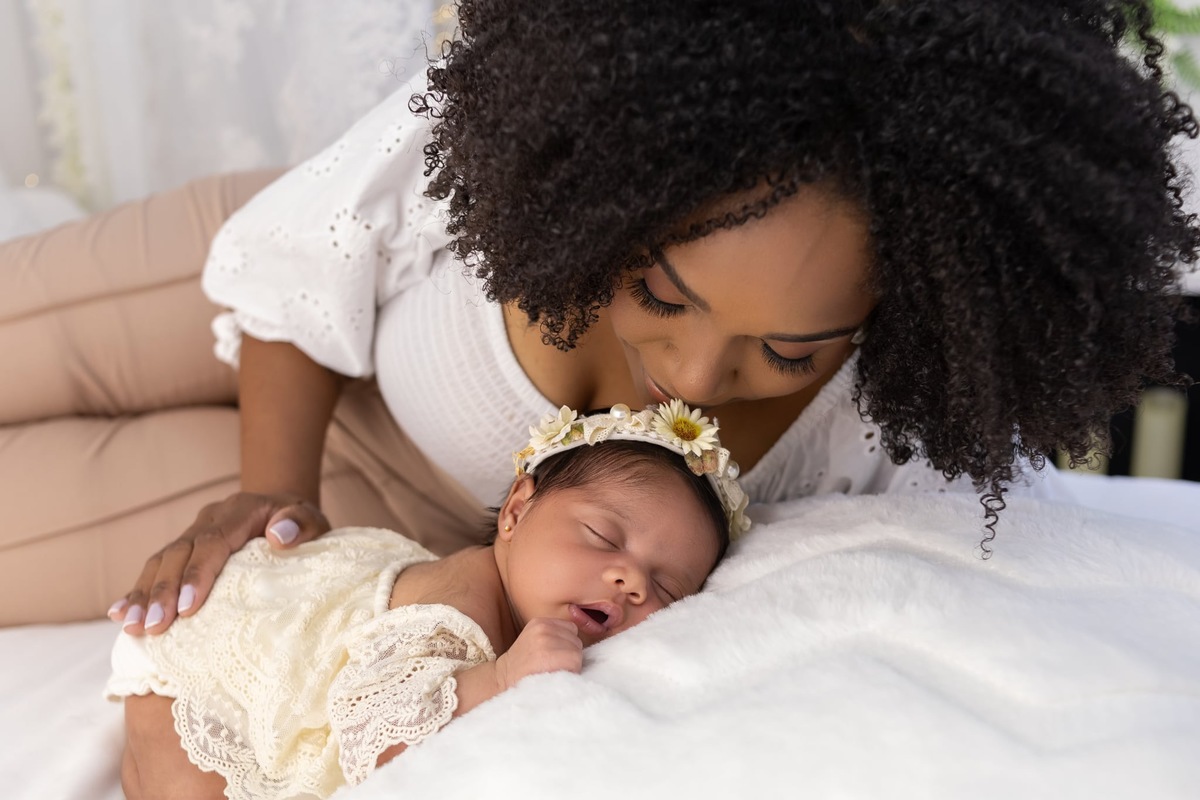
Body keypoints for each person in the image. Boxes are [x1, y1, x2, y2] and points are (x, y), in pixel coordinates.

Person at [1, 0, 1194, 627]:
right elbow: (298, 260)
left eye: (788, 349)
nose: (695, 370)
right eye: (661, 293)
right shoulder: (536, 142)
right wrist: (272, 489)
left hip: (380, 504)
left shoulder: (884, 431)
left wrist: (306, 549)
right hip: (280, 293)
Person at [108, 401, 745, 800]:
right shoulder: (457, 609)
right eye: (604, 537)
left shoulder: (515, 601)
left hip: (325, 604)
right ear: (517, 511)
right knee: (182, 786)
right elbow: (374, 731)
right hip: (226, 636)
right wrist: (498, 678)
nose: (630, 581)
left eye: (666, 588)